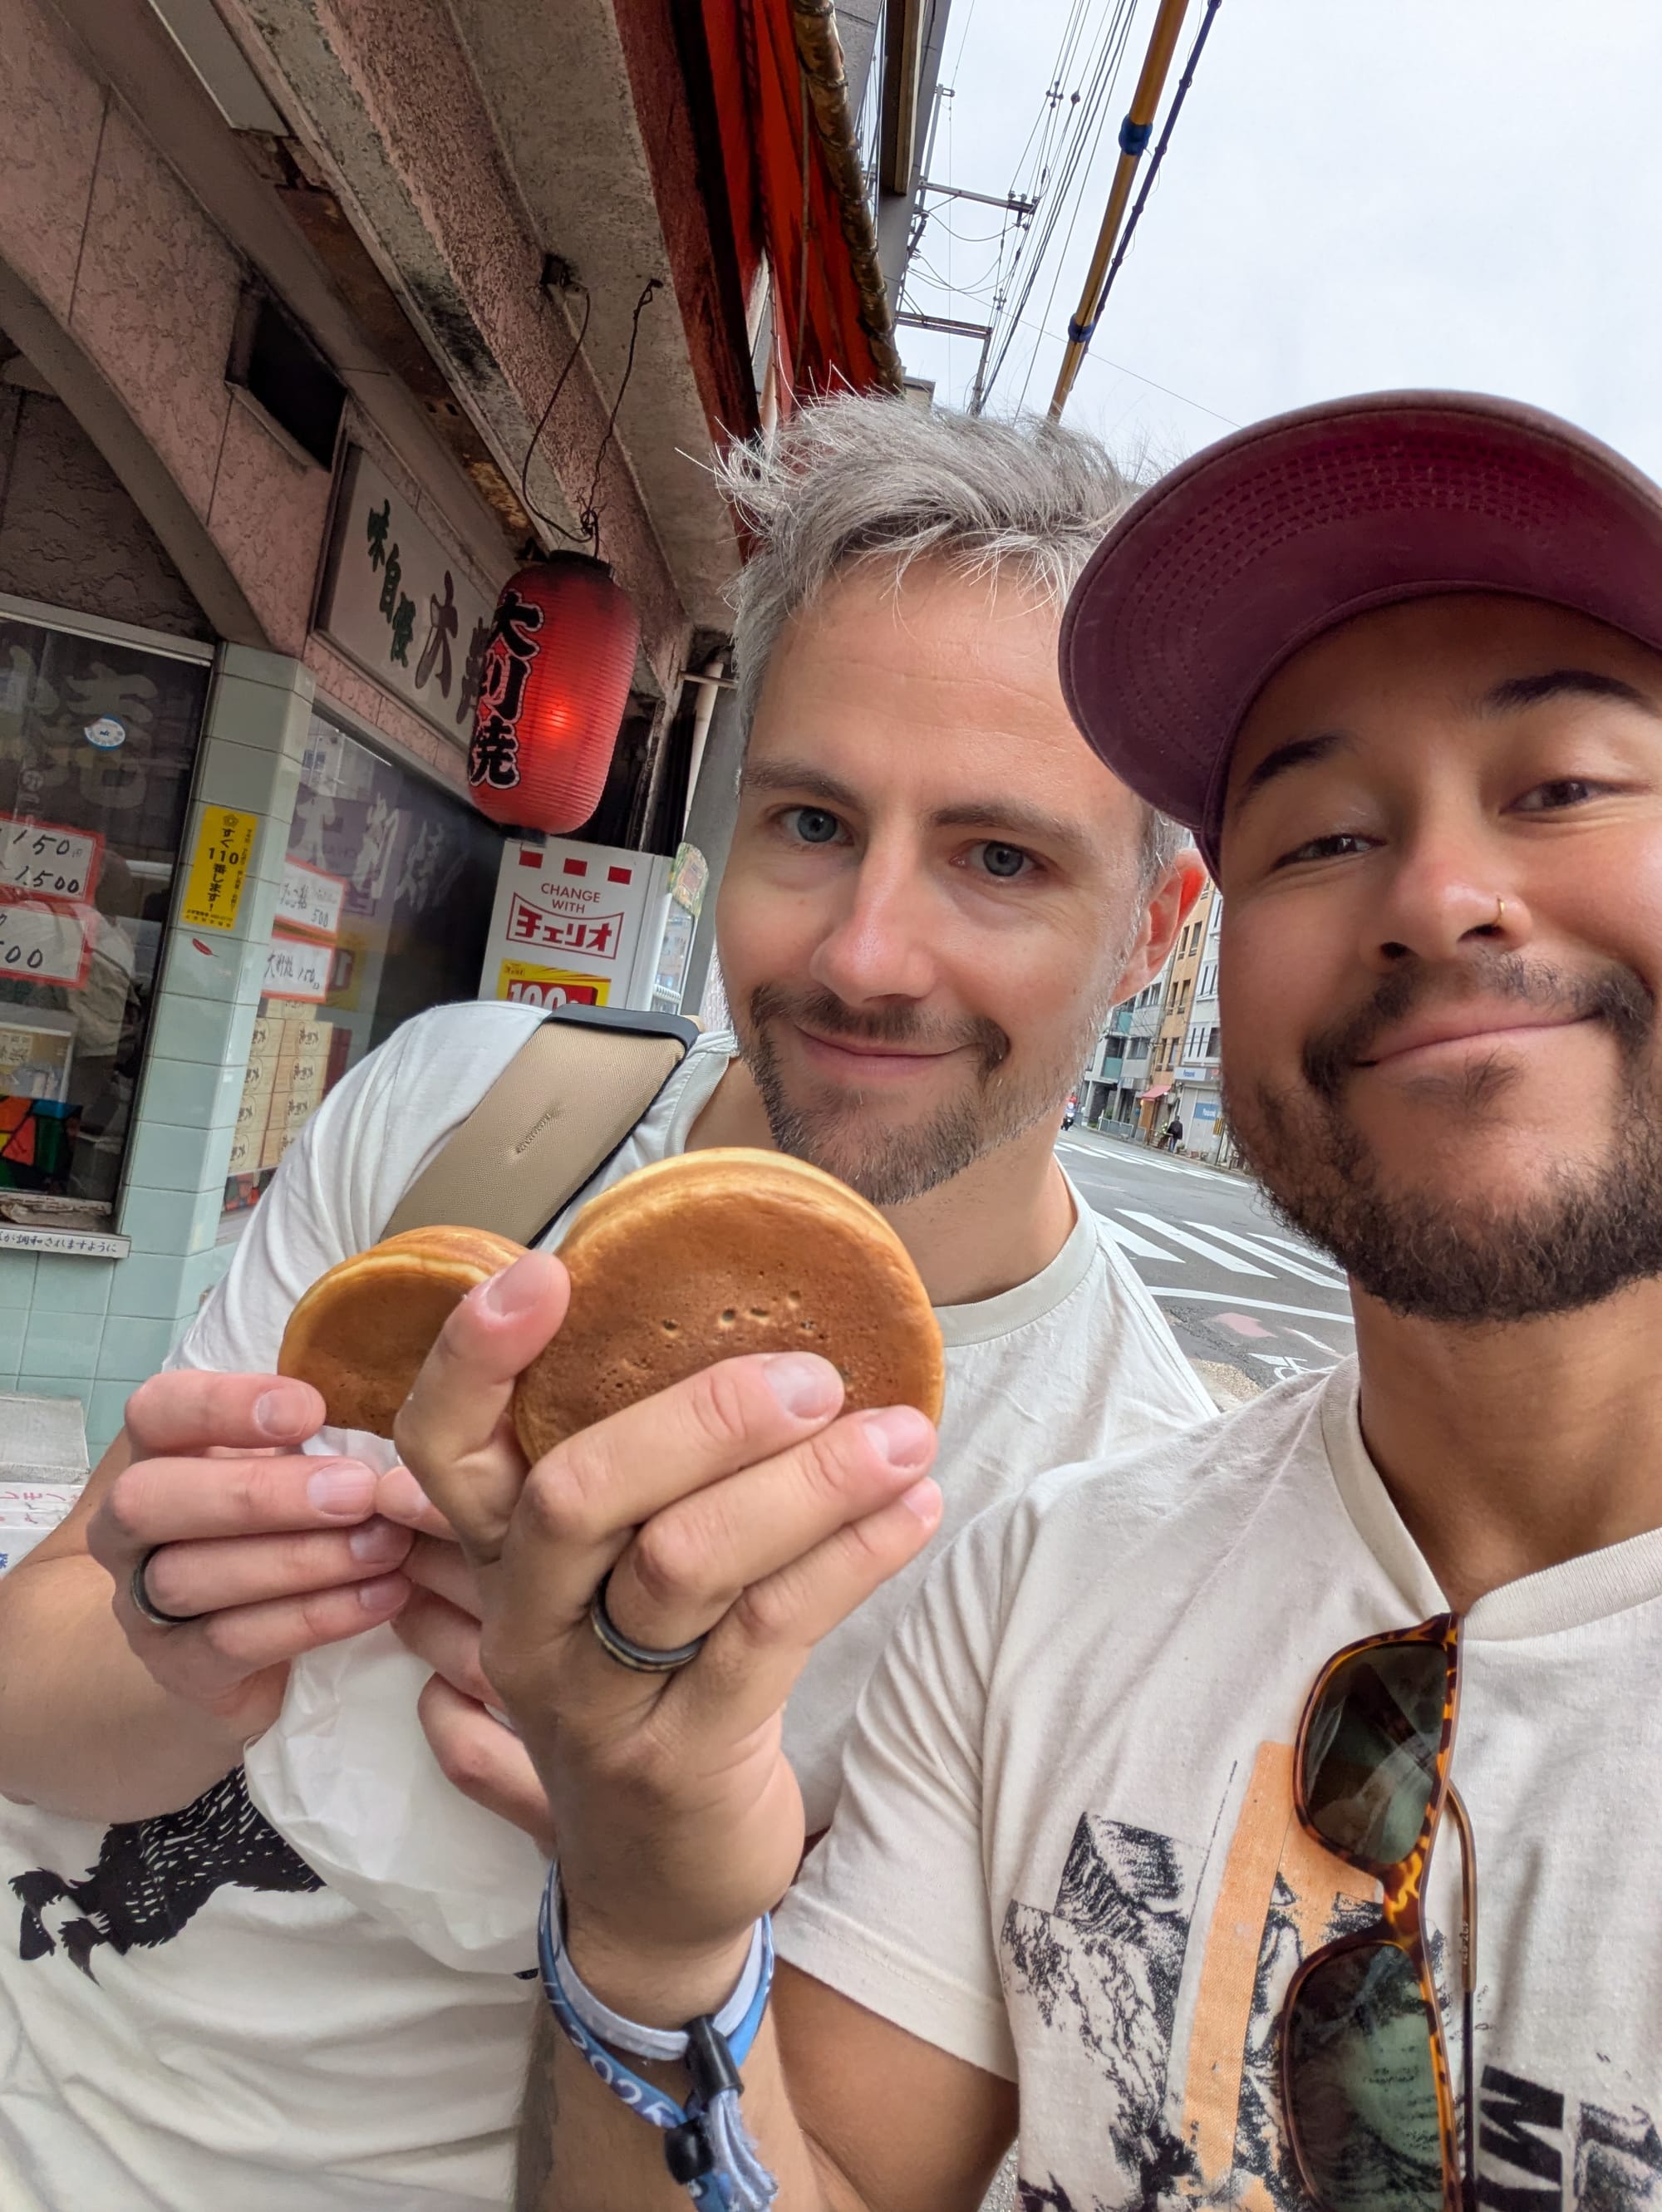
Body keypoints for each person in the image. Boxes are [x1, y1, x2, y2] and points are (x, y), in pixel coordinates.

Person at [417, 389, 1662, 2210]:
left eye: (1558, 786)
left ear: (1146, 936)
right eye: (1318, 832)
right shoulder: (1042, 1590)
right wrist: (653, 1915)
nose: (1440, 895)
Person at [0, 395, 1212, 2210]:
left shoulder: (1129, 1519)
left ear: (1153, 927)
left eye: (999, 858)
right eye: (813, 820)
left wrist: (655, 1872)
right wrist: (184, 1652)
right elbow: (33, 1686)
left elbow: (834, 2173)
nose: (864, 952)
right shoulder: (474, 1112)